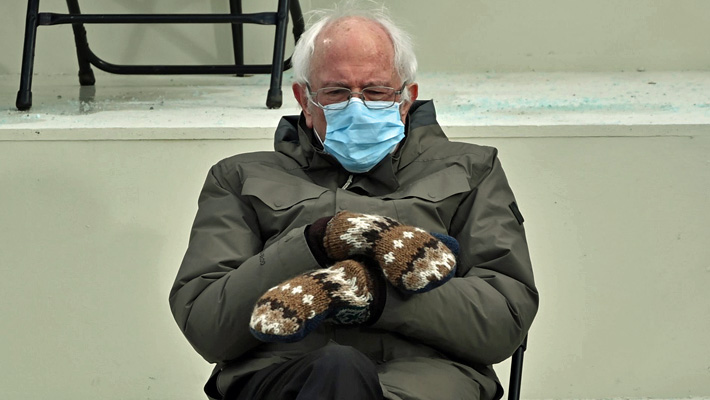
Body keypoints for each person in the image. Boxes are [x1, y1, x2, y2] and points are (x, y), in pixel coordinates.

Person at [169, 2, 538, 400]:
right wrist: (313, 242)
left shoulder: (471, 170)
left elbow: (503, 322)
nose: (357, 106)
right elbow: (207, 326)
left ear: (406, 98)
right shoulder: (239, 177)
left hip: (427, 381)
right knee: (337, 370)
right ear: (304, 100)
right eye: (337, 92)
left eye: (376, 91)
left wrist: (374, 294)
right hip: (287, 377)